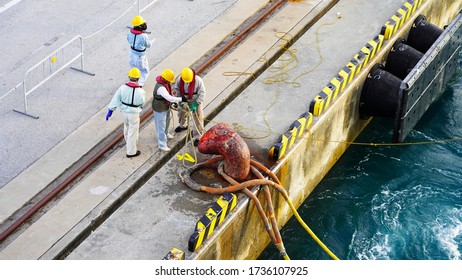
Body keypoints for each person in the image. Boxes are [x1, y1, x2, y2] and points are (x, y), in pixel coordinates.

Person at [106, 68, 147, 158]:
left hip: (124, 112)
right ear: (138, 78)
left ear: (129, 77)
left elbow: (115, 99)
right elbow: (143, 102)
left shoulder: (122, 88)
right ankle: (131, 152)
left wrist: (110, 110)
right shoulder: (141, 91)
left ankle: (128, 143)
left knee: (126, 127)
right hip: (134, 114)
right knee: (133, 131)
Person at [152, 69, 186, 152]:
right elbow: (169, 97)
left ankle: (166, 134)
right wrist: (181, 99)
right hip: (159, 108)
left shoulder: (165, 84)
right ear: (165, 79)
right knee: (161, 126)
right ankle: (162, 144)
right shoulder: (160, 88)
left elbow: (169, 95)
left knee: (167, 121)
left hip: (165, 106)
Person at [173, 67, 206, 146]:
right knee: (181, 114)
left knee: (198, 118)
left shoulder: (198, 80)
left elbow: (202, 93)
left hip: (195, 100)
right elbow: (176, 89)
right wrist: (180, 100)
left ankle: (198, 137)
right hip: (183, 99)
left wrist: (196, 104)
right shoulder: (179, 80)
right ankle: (183, 126)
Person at [127, 15, 153, 86]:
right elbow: (148, 45)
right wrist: (151, 41)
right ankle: (139, 85)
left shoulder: (129, 32)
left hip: (132, 54)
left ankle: (132, 83)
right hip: (140, 56)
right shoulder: (143, 36)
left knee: (133, 70)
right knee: (144, 71)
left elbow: (128, 40)